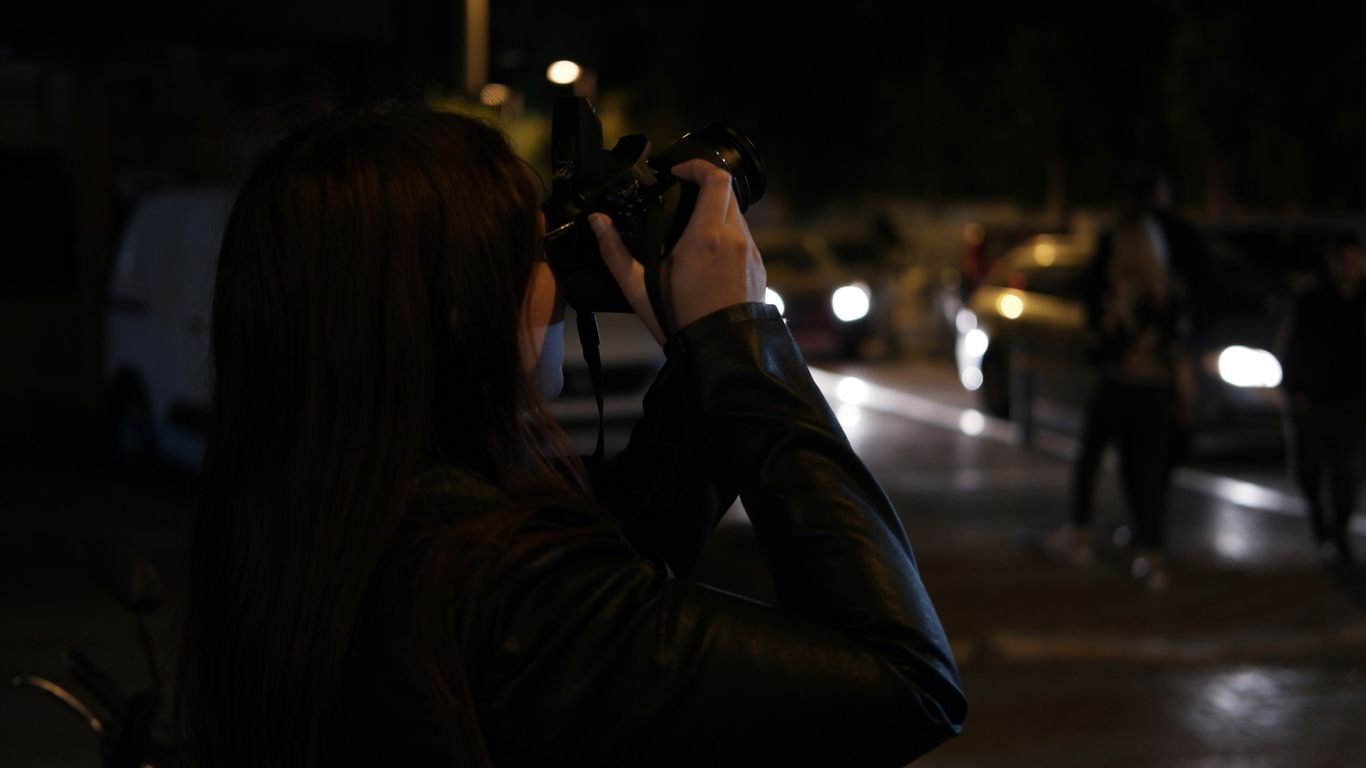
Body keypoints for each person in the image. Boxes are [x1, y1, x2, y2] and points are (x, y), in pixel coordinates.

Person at [173, 105, 965, 767]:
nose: (557, 278)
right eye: (532, 251)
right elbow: (906, 686)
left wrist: (703, 373)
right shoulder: (495, 585)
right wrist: (743, 338)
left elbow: (618, 578)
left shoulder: (303, 514)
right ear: (455, 308)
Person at [1045, 171, 1207, 592]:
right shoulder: (1157, 293)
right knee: (1141, 469)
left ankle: (1117, 542)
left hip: (1131, 385)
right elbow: (1174, 345)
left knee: (1111, 461)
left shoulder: (1137, 296)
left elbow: (1111, 343)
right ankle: (1148, 553)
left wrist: (1120, 333)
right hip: (1146, 387)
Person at [1278, 229, 1366, 566]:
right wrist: (1295, 390)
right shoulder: (1312, 300)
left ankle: (1339, 535)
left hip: (1354, 399)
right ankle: (1320, 523)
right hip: (1313, 398)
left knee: (1346, 471)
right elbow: (1293, 347)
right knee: (1309, 469)